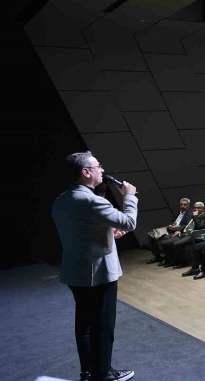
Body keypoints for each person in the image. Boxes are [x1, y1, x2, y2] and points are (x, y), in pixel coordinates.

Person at [52, 151, 138, 381]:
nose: (102, 169)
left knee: (85, 325)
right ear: (86, 172)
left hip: (75, 272)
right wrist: (129, 197)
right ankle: (104, 374)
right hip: (98, 273)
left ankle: (88, 371)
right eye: (98, 166)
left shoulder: (62, 200)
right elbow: (129, 222)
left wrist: (109, 231)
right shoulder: (91, 200)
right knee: (103, 324)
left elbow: (82, 231)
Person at [161, 202, 205, 268]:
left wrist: (195, 216)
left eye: (198, 208)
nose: (196, 209)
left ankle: (182, 263)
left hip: (192, 235)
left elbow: (200, 227)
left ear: (203, 208)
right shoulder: (193, 214)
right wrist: (179, 230)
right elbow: (186, 224)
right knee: (165, 243)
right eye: (195, 208)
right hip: (184, 233)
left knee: (176, 244)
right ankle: (172, 261)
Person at [146, 198, 193, 265]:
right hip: (170, 228)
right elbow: (173, 221)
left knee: (164, 239)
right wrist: (170, 225)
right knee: (151, 235)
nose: (183, 206)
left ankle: (167, 258)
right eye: (181, 204)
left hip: (178, 229)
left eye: (185, 205)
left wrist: (179, 227)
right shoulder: (178, 212)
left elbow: (187, 224)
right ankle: (157, 256)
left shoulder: (190, 213)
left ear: (188, 205)